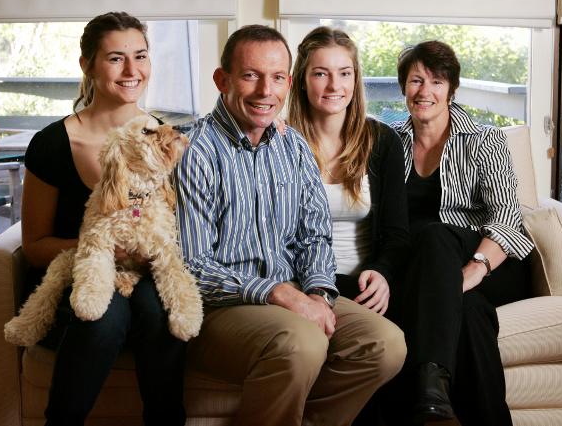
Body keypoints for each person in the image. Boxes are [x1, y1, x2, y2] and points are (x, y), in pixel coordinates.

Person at [176, 24, 407, 426]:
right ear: (222, 79)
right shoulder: (194, 150)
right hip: (221, 309)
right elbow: (193, 267)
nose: (266, 91)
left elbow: (314, 235)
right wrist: (281, 293)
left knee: (385, 343)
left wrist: (317, 290)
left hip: (296, 294)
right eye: (251, 75)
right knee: (301, 341)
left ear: (288, 81)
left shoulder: (292, 145)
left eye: (277, 77)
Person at [21, 12, 186, 426]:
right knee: (102, 314)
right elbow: (35, 245)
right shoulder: (53, 143)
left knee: (157, 307)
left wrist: (148, 253)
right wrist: (101, 247)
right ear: (87, 65)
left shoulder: (167, 139)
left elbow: (175, 225)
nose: (132, 71)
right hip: (81, 277)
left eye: (141, 56)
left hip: (146, 275)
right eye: (115, 58)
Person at [389, 40, 534, 425]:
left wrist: (472, 271)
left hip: (489, 260)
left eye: (437, 81)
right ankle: (443, 409)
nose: (425, 91)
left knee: (437, 233)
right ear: (403, 86)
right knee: (468, 314)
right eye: (416, 80)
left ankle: (429, 384)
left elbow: (506, 215)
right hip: (426, 268)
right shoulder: (389, 143)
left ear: (451, 90)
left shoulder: (485, 139)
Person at [287, 25, 409, 318]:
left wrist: (382, 273)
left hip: (365, 285)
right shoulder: (281, 142)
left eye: (344, 73)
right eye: (320, 73)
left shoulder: (382, 140)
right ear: (302, 80)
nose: (334, 86)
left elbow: (397, 233)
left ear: (356, 79)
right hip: (299, 285)